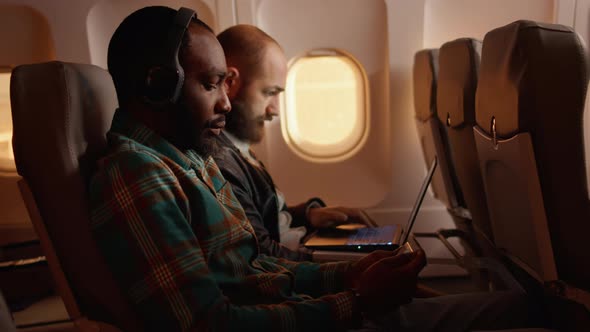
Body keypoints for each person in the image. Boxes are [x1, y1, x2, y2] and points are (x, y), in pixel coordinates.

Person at [88, 6, 541, 331]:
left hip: (309, 308)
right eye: (210, 84)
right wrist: (357, 301)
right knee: (523, 312)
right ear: (157, 86)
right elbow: (208, 324)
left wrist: (349, 275)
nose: (225, 100)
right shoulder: (138, 175)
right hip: (318, 317)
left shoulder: (186, 157)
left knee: (518, 307)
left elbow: (255, 266)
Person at [213, 25, 368, 261]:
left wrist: (309, 214)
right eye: (269, 92)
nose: (275, 109)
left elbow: (265, 217)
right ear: (230, 83)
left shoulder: (241, 148)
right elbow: (262, 252)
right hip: (292, 265)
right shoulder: (222, 161)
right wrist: (343, 267)